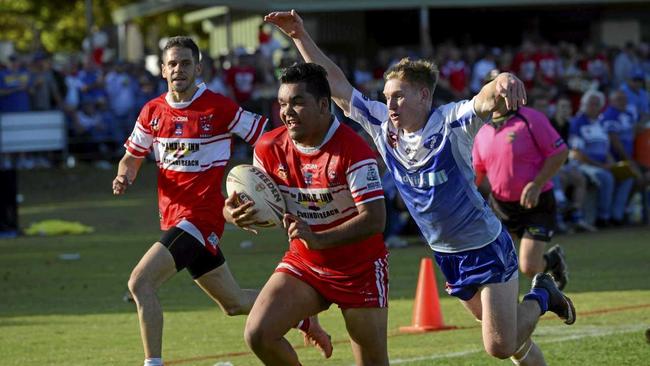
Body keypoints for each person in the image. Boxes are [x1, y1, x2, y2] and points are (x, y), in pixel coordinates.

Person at [265, 10, 576, 365]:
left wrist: (502, 79)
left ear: (424, 96)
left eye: (398, 96)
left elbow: (484, 101)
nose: (390, 104)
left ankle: (543, 294)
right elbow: (336, 85)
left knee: (499, 345)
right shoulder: (384, 126)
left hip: (485, 246)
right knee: (508, 337)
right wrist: (299, 36)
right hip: (446, 254)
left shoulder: (450, 122)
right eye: (386, 96)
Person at [111, 36, 327, 366]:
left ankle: (153, 363)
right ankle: (303, 317)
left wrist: (283, 173)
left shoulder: (218, 107)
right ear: (163, 70)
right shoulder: (152, 111)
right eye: (172, 63)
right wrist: (125, 173)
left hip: (202, 216)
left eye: (185, 63)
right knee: (234, 302)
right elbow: (132, 156)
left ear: (198, 68)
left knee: (140, 282)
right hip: (173, 219)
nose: (178, 69)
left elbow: (266, 138)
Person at [225, 62, 389, 365]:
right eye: (283, 103)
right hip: (306, 263)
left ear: (324, 105)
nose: (287, 111)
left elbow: (375, 219)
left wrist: (319, 238)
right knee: (258, 333)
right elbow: (258, 199)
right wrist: (232, 212)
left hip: (359, 269)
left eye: (298, 102)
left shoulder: (354, 151)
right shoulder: (268, 147)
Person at [472, 99, 570, 289]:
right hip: (501, 206)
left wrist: (537, 184)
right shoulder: (481, 129)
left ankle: (553, 260)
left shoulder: (532, 119)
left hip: (536, 203)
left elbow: (560, 152)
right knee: (496, 263)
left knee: (529, 267)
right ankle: (506, 308)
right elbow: (477, 171)